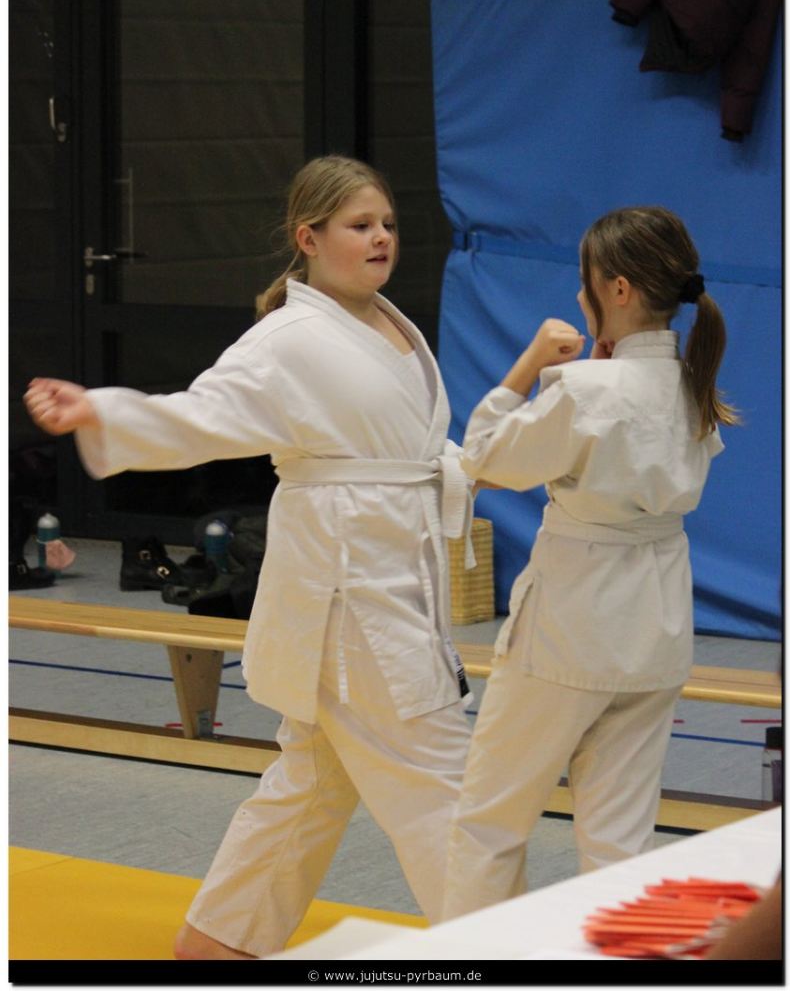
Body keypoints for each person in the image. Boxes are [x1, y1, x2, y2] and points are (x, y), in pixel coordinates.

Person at [24, 155, 473, 959]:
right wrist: (98, 410)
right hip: (354, 596)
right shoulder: (289, 339)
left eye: (388, 224)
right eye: (359, 225)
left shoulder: (387, 324)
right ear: (309, 238)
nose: (380, 238)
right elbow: (202, 415)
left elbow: (414, 453)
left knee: (313, 784)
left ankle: (217, 942)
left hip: (385, 578)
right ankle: (509, 948)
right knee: (445, 789)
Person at [441, 205, 736, 920]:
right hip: (657, 628)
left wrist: (530, 366)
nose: (579, 296)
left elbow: (482, 459)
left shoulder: (585, 389)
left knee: (488, 822)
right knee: (619, 844)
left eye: (587, 282)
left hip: (570, 627)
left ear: (619, 289)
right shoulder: (692, 385)